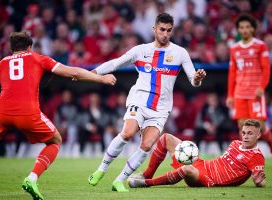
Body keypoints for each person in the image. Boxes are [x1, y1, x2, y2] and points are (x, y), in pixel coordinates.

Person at [0, 31, 116, 200]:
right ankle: (32, 178)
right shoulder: (37, 58)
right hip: (27, 112)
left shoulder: (1, 64)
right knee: (55, 140)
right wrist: (101, 78)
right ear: (29, 47)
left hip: (1, 111)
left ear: (12, 48)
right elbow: (73, 72)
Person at [88, 13, 206, 192]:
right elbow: (115, 63)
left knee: (146, 145)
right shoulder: (140, 50)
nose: (165, 34)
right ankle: (101, 170)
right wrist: (92, 74)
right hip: (140, 101)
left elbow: (193, 80)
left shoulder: (180, 53)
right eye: (162, 29)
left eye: (169, 30)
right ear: (154, 29)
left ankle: (119, 180)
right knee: (127, 134)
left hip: (161, 109)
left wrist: (198, 77)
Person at [128, 119, 266, 188]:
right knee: (166, 138)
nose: (246, 136)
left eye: (250, 133)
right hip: (202, 164)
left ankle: (147, 183)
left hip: (208, 179)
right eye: (244, 133)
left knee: (187, 169)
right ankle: (146, 174)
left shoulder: (256, 156)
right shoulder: (235, 143)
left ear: (258, 134)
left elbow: (260, 179)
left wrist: (259, 183)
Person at [225, 14, 272, 168]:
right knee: (242, 126)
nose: (244, 30)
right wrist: (230, 94)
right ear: (238, 30)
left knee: (260, 127)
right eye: (241, 27)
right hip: (239, 93)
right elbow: (232, 73)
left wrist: (261, 87)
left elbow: (266, 69)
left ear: (253, 29)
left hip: (255, 93)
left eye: (247, 27)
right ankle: (245, 158)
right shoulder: (234, 48)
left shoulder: (260, 46)